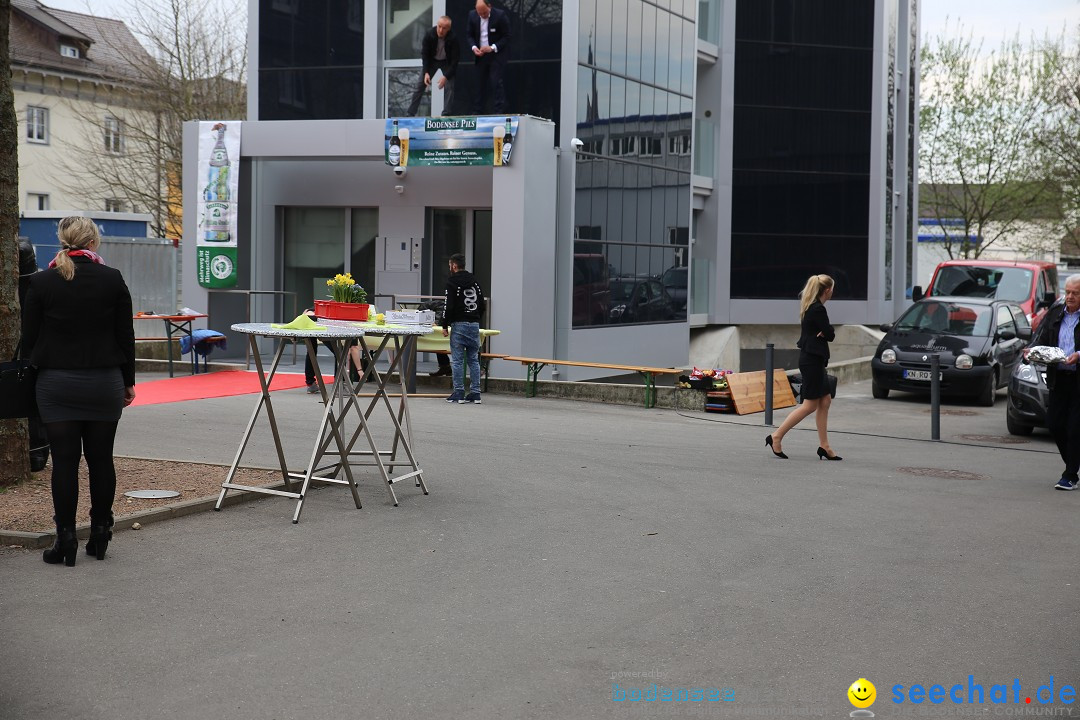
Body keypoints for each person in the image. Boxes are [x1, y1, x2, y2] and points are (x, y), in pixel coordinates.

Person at [21, 217, 136, 566]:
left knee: (65, 464)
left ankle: (66, 539)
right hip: (104, 382)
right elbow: (124, 336)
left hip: (56, 384)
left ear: (61, 240)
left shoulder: (41, 282)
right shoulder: (112, 279)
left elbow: (29, 340)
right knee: (101, 460)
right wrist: (128, 381)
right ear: (94, 241)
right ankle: (101, 533)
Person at [766, 274, 842, 461]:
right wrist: (825, 334)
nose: (833, 291)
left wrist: (822, 334)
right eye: (832, 288)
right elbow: (831, 334)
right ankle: (776, 436)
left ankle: (824, 446)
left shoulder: (811, 307)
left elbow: (824, 333)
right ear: (827, 290)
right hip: (812, 361)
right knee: (810, 405)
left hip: (812, 359)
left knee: (825, 401)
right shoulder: (817, 310)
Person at [1025, 274, 1080, 490]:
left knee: (1075, 429)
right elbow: (1042, 338)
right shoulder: (1056, 313)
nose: (1070, 297)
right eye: (1067, 292)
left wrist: (1079, 354)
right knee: (1055, 425)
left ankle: (1070, 475)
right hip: (1058, 378)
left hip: (1078, 380)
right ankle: (1073, 464)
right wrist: (1031, 351)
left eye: (1075, 293)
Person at [18, 238, 49, 472]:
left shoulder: (36, 284)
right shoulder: (40, 283)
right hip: (38, 350)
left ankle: (37, 452)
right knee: (35, 407)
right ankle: (38, 453)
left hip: (32, 348)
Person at [442, 253, 486, 403]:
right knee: (474, 359)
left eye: (450, 265)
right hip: (474, 324)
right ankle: (475, 393)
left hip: (459, 324)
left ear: (454, 265)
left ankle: (459, 392)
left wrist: (444, 324)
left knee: (458, 360)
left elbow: (449, 306)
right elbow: (481, 303)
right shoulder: (475, 281)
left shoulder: (452, 282)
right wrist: (475, 318)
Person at [406, 16, 460, 117]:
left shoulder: (453, 38)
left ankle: (446, 114)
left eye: (444, 28)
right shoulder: (429, 34)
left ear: (448, 29)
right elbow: (425, 54)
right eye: (439, 26)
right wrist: (426, 72)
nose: (440, 30)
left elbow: (454, 61)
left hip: (446, 63)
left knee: (450, 86)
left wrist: (445, 76)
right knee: (420, 85)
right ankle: (410, 113)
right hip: (432, 62)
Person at [468, 0, 511, 114]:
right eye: (479, 13)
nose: (482, 15)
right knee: (479, 83)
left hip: (496, 55)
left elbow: (507, 36)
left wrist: (492, 47)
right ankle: (477, 111)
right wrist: (474, 47)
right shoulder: (472, 15)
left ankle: (499, 111)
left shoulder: (500, 16)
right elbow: (469, 35)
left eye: (484, 13)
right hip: (480, 55)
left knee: (496, 81)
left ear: (489, 6)